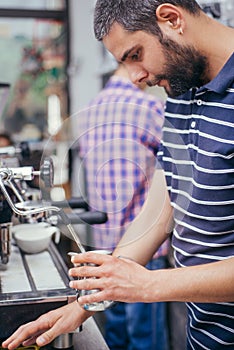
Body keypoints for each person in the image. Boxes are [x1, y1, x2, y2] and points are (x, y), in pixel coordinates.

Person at [2, 1, 234, 349]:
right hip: (205, 334)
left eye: (136, 54)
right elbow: (162, 209)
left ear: (171, 19)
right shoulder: (182, 91)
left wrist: (149, 284)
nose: (138, 75)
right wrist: (87, 301)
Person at [76, 62, 169, 350]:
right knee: (147, 339)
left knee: (114, 335)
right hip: (145, 250)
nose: (149, 78)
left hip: (104, 249)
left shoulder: (88, 112)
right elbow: (176, 169)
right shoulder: (149, 108)